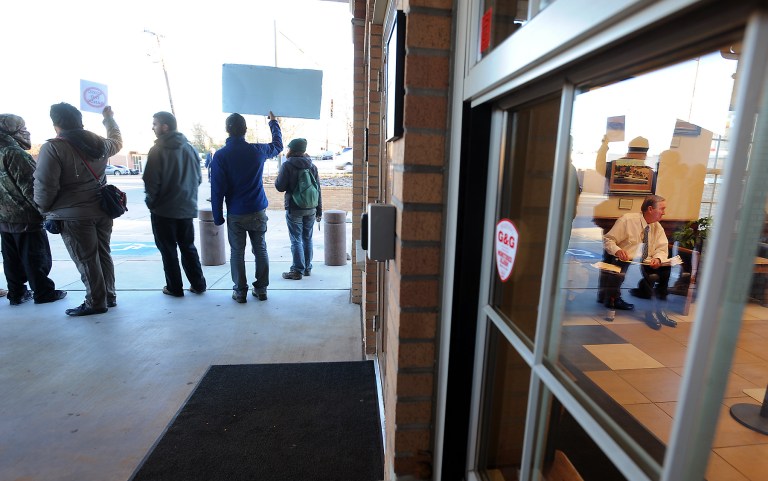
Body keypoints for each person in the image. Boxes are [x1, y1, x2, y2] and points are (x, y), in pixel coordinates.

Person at [34, 103, 122, 316]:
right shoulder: (100, 143)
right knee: (103, 254)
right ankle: (108, 296)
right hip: (102, 210)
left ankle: (95, 302)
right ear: (80, 122)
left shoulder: (54, 148)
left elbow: (45, 186)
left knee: (86, 259)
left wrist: (43, 209)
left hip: (73, 215)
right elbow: (117, 141)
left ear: (56, 125)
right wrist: (109, 119)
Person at [211, 111, 282, 303]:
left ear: (227, 130)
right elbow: (278, 146)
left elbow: (217, 190)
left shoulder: (220, 156)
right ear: (245, 130)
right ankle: (261, 289)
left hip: (236, 212)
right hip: (257, 209)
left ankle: (240, 291)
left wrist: (217, 216)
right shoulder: (256, 151)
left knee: (237, 252)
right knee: (260, 249)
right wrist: (273, 123)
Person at [0, 114, 67, 305]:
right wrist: (47, 212)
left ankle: (16, 293)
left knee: (11, 258)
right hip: (25, 217)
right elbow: (32, 187)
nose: (25, 132)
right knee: (35, 256)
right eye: (21, 127)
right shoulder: (14, 153)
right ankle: (43, 292)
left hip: (4, 218)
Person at [144, 111, 207, 297]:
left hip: (163, 211)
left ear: (165, 127)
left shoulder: (157, 150)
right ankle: (198, 284)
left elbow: (150, 182)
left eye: (154, 124)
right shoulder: (190, 149)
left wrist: (152, 202)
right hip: (186, 209)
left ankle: (174, 287)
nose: (152, 127)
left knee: (168, 250)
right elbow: (198, 179)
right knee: (188, 247)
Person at [600, 194, 676, 329]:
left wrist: (658, 258)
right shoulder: (627, 220)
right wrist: (618, 250)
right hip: (627, 259)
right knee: (630, 270)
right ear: (650, 209)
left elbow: (662, 249)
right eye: (662, 209)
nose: (664, 212)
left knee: (665, 270)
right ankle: (648, 312)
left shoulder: (657, 227)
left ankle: (660, 309)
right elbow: (608, 240)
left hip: (647, 261)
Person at [275, 138, 322, 280]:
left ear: (292, 150)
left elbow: (280, 187)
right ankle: (307, 268)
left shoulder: (288, 165)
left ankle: (297, 270)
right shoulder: (312, 166)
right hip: (311, 207)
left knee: (296, 239)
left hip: (295, 207)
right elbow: (318, 189)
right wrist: (319, 210)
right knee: (307, 238)